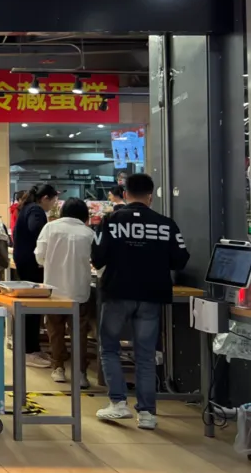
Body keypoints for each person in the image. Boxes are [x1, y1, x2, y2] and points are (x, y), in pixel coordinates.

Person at [92, 173, 189, 430]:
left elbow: (97, 257)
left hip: (117, 291)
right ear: (151, 196)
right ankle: (147, 413)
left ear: (125, 194)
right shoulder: (166, 224)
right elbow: (180, 259)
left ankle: (118, 403)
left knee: (110, 348)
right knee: (145, 355)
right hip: (152, 294)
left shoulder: (110, 221)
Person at [34, 198, 97, 387]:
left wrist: (51, 263)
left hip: (53, 290)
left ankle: (58, 368)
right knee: (79, 333)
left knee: (55, 331)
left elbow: (39, 256)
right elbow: (96, 261)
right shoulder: (89, 233)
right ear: (84, 214)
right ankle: (80, 373)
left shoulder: (50, 228)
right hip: (79, 290)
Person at [12, 183, 59, 367]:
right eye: (54, 200)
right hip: (31, 263)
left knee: (32, 308)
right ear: (45, 198)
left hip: (25, 261)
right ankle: (29, 351)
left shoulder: (28, 208)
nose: (54, 204)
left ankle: (32, 347)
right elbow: (37, 229)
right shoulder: (36, 210)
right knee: (32, 307)